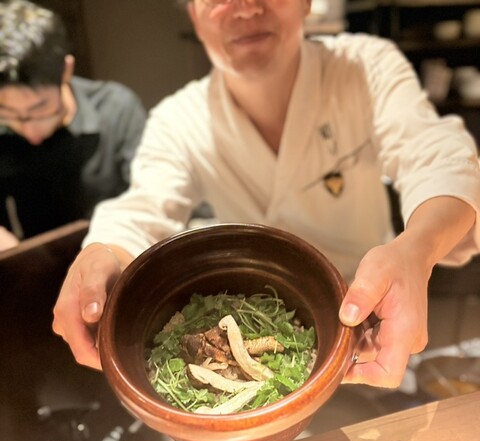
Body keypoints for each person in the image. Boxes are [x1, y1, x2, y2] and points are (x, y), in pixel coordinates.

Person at [53, 0, 480, 389]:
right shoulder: (179, 121)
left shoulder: (364, 66)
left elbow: (440, 159)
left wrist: (415, 250)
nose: (245, 8)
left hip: (369, 329)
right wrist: (102, 254)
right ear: (194, 15)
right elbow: (141, 209)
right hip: (259, 332)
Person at [0, 0, 147, 250]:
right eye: (9, 113)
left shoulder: (116, 109)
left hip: (118, 255)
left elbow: (149, 202)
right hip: (34, 265)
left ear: (66, 71)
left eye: (39, 109)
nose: (30, 132)